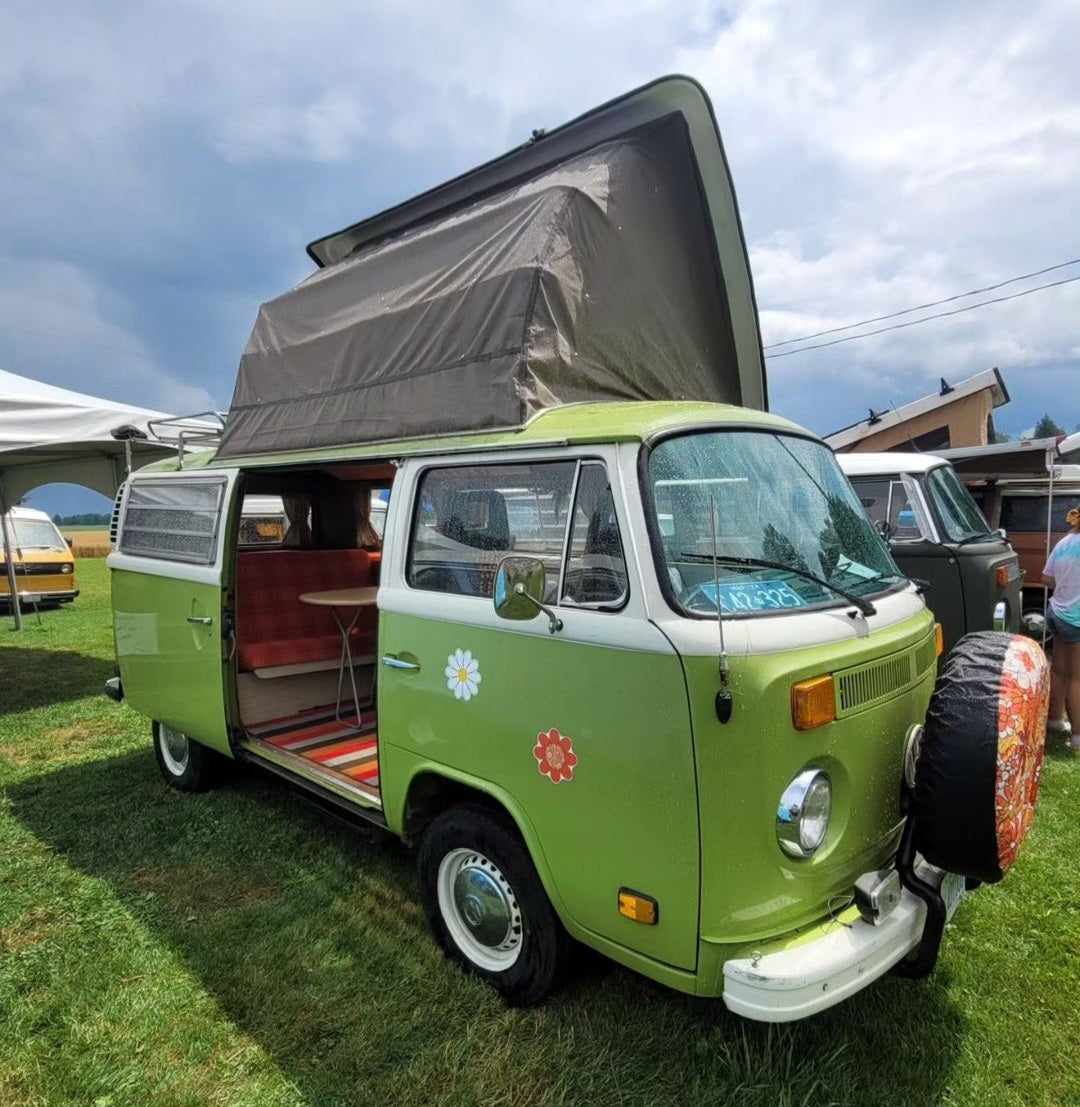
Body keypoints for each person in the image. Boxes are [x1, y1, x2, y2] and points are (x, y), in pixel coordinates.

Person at [1044, 502, 1080, 751]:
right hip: (1076, 617)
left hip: (1056, 611)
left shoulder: (1064, 542)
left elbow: (1047, 577)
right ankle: (1078, 737)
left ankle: (1054, 719)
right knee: (1078, 678)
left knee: (1058, 670)